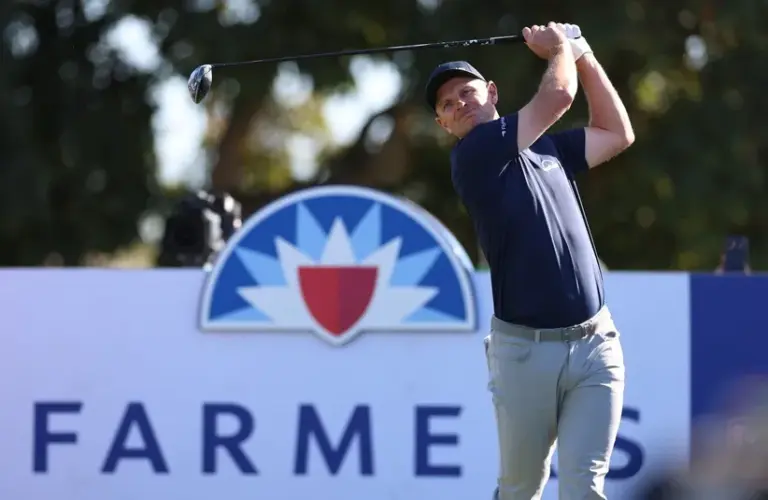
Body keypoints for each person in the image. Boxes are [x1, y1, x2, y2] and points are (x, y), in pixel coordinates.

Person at [425, 22, 635, 499]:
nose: (460, 104)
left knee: (585, 488)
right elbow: (559, 95)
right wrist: (560, 48)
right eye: (448, 104)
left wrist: (583, 53)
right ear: (444, 125)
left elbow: (616, 133)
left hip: (595, 343)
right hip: (525, 353)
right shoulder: (474, 155)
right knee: (521, 488)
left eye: (467, 92)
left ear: (492, 92)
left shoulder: (545, 147)